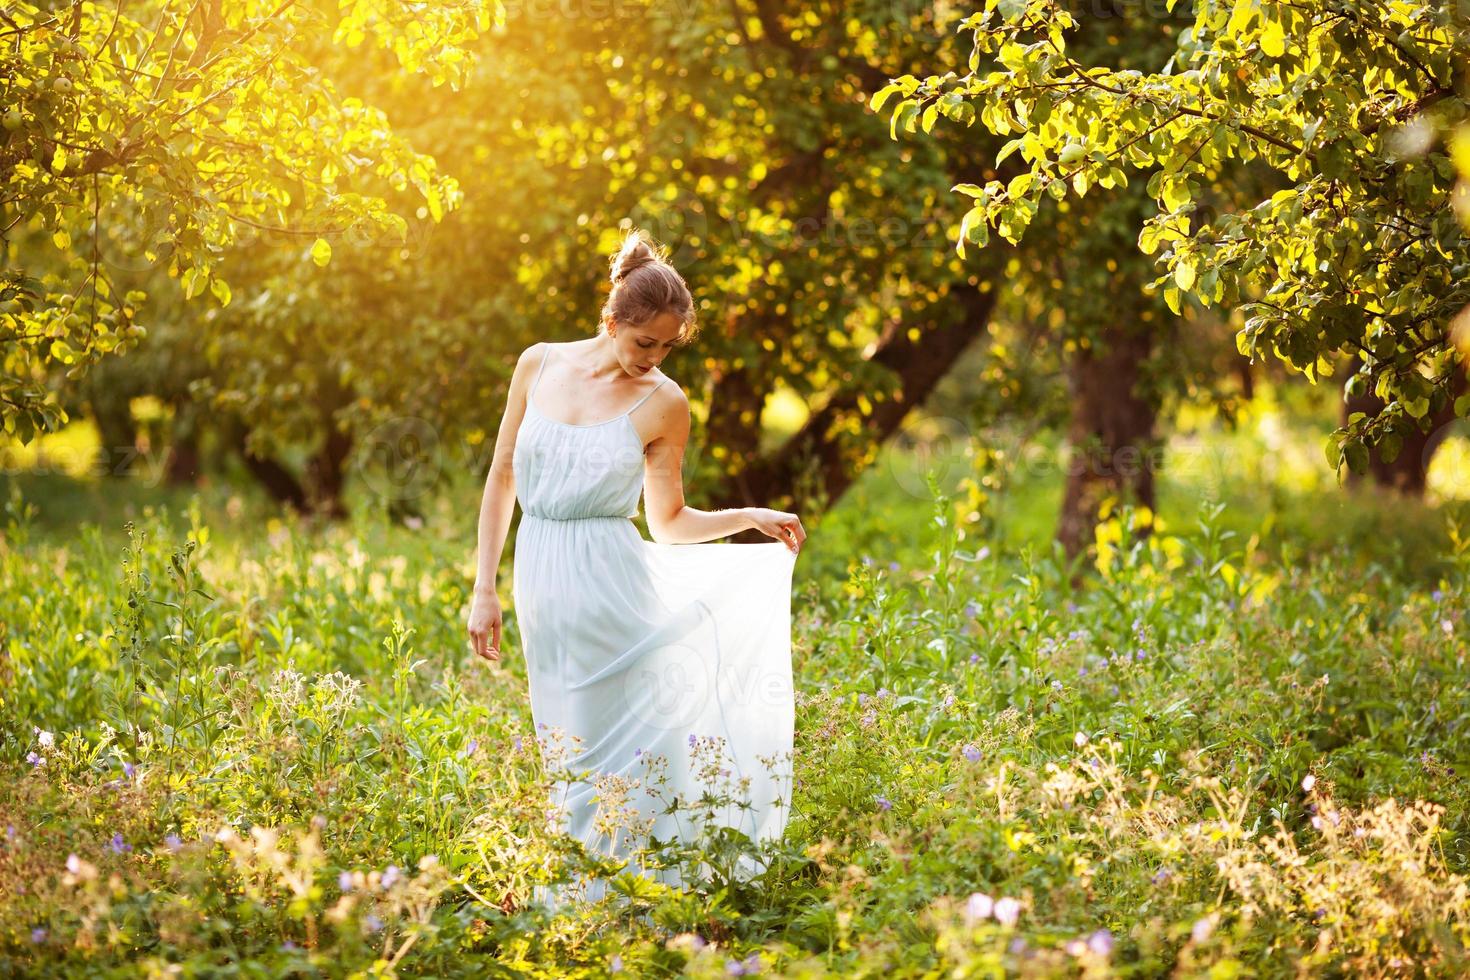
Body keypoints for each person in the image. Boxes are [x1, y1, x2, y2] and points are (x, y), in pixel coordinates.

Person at [465, 228, 807, 911]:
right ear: (611, 317)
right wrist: (484, 589)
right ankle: (590, 905)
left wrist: (748, 518)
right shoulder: (538, 365)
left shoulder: (665, 402)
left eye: (666, 347)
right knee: (562, 747)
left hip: (613, 586)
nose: (652, 358)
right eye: (643, 341)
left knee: (615, 752)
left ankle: (626, 905)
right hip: (542, 581)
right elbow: (502, 476)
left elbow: (669, 523)